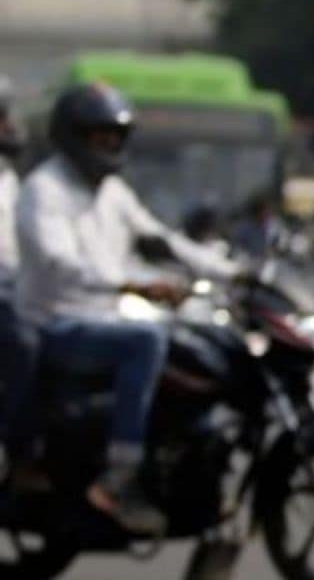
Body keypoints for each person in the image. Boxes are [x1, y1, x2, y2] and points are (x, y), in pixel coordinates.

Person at [16, 83, 241, 533]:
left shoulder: (113, 191)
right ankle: (120, 475)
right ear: (74, 137)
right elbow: (60, 264)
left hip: (107, 315)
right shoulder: (45, 190)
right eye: (102, 137)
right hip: (58, 322)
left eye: (117, 138)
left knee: (199, 343)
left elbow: (161, 239)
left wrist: (233, 272)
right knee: (146, 341)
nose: (111, 147)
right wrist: (135, 285)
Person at [0, 73, 37, 489]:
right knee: (26, 341)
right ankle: (21, 450)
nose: (10, 128)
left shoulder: (12, 180)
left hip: (19, 284)